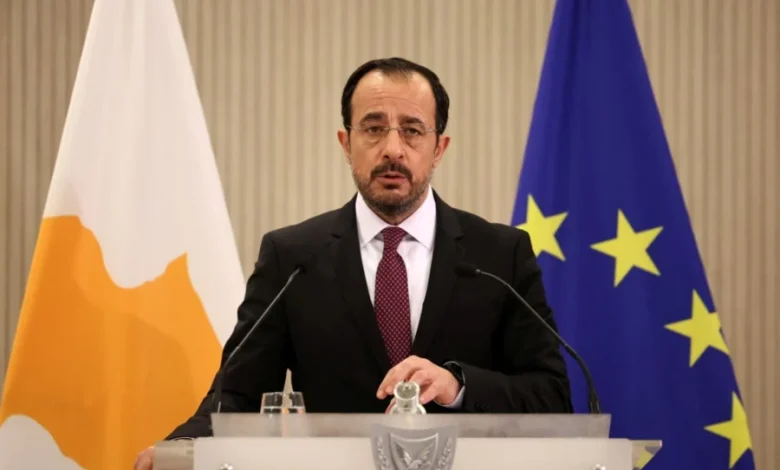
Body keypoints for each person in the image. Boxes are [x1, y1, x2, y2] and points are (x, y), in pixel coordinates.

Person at [134, 57, 572, 469]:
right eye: (374, 129)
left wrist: (458, 386)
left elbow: (552, 396)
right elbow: (236, 394)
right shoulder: (293, 257)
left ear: (439, 148)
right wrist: (184, 447)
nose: (393, 149)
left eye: (413, 131)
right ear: (346, 143)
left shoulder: (498, 255)